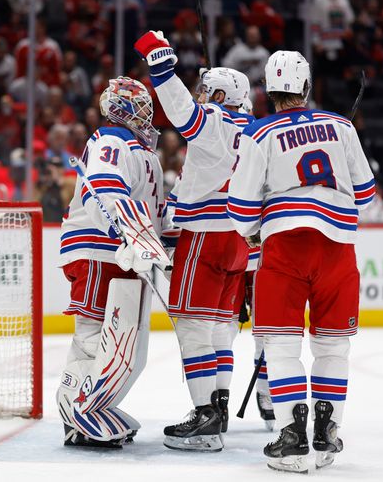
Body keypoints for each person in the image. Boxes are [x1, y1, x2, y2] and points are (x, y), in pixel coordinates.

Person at [227, 51, 375, 473]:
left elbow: (240, 210)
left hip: (285, 249)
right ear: (306, 87)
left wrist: (254, 227)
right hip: (337, 249)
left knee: (281, 344)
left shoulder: (259, 133)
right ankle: (327, 436)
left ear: (268, 91)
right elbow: (365, 194)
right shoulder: (342, 125)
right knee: (332, 346)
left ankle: (292, 437)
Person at [134, 30, 254, 452]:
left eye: (207, 90)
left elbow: (182, 110)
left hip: (206, 237)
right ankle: (217, 410)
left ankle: (205, 415)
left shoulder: (215, 123)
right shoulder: (254, 130)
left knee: (190, 326)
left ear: (220, 95)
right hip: (238, 242)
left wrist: (160, 61)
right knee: (221, 328)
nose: (201, 95)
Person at [57, 76, 171, 449]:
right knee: (92, 337)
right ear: (120, 107)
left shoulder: (143, 152)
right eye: (140, 106)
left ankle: (94, 405)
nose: (147, 114)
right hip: (97, 250)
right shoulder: (112, 139)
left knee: (125, 344)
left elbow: (156, 215)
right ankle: (75, 408)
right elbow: (105, 189)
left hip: (122, 254)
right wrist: (125, 231)